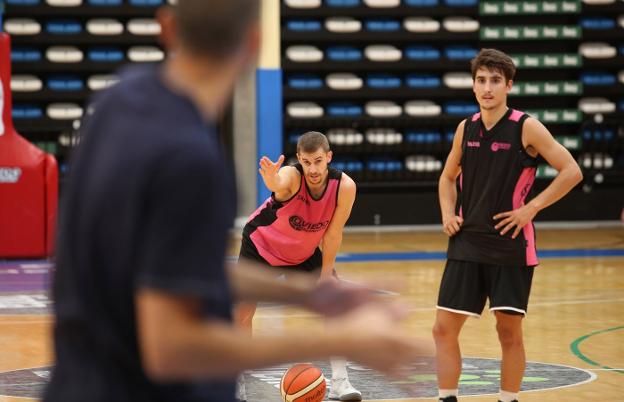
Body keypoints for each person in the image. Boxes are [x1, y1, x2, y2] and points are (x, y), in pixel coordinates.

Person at [43, 2, 431, 402]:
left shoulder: (117, 100)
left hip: (73, 379)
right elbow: (170, 346)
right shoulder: (193, 161)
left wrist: (307, 294)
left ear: (166, 27)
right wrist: (337, 340)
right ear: (254, 44)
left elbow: (175, 272)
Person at [433, 48, 583, 402]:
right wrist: (447, 213)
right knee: (443, 329)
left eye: (495, 81)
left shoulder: (526, 126)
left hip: (510, 243)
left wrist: (530, 208)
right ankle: (446, 397)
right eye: (481, 81)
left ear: (508, 86)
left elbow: (572, 171)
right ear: (473, 86)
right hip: (467, 241)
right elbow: (447, 177)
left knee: (508, 332)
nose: (487, 88)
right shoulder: (464, 128)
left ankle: (508, 399)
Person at [235, 131, 363, 401]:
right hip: (262, 245)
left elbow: (333, 234)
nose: (312, 169)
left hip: (303, 253)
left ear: (329, 157)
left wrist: (326, 277)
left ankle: (340, 382)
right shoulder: (293, 177)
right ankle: (236, 380)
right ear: (299, 160)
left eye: (318, 161)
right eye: (306, 162)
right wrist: (272, 179)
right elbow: (280, 182)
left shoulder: (345, 187)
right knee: (242, 312)